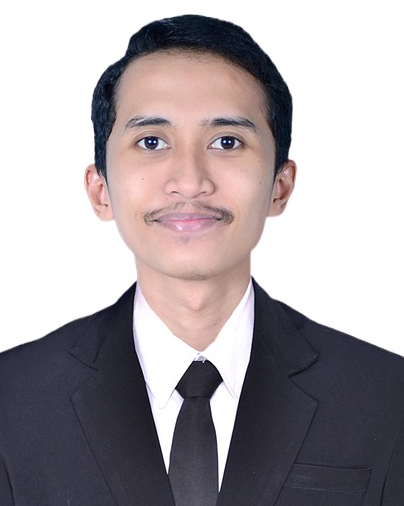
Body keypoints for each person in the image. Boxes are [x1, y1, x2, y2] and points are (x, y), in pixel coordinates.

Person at [0, 14, 403, 506]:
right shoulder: (11, 400)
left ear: (280, 186)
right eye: (151, 142)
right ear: (100, 189)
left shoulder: (387, 398)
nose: (190, 181)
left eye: (227, 142)